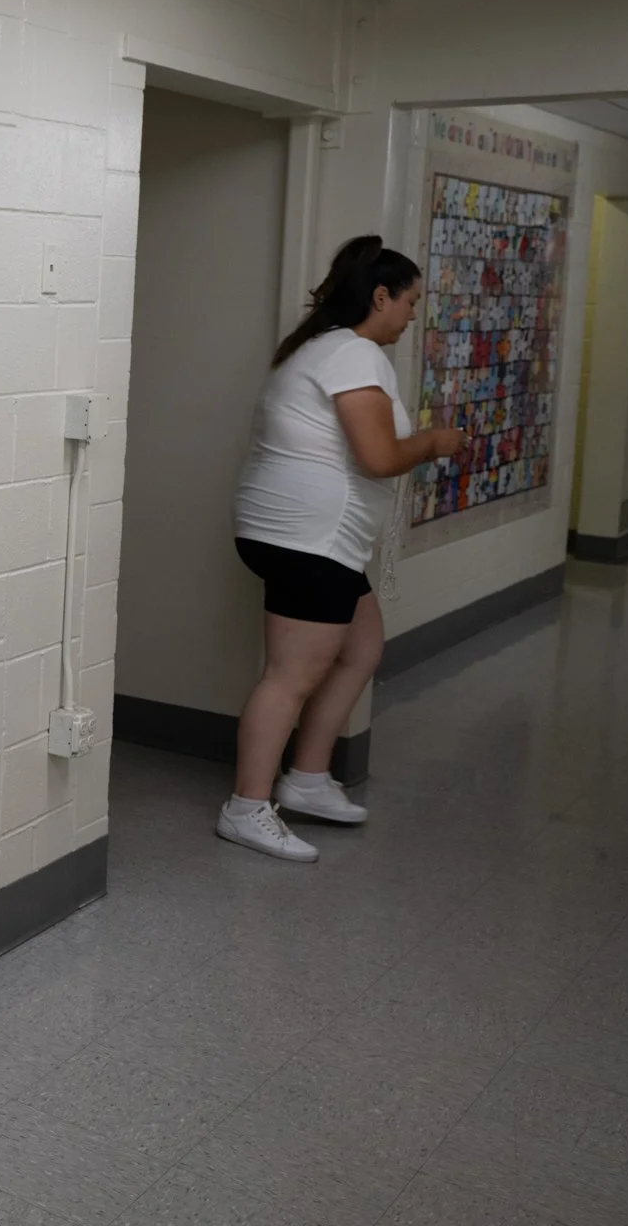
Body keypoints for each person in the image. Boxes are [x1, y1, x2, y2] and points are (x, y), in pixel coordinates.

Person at [217, 237, 465, 862]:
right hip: (308, 539)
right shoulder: (354, 354)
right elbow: (378, 457)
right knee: (290, 677)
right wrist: (435, 441)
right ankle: (245, 809)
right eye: (408, 302)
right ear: (380, 297)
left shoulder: (322, 348)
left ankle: (305, 779)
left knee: (361, 646)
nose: (412, 316)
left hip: (305, 536)